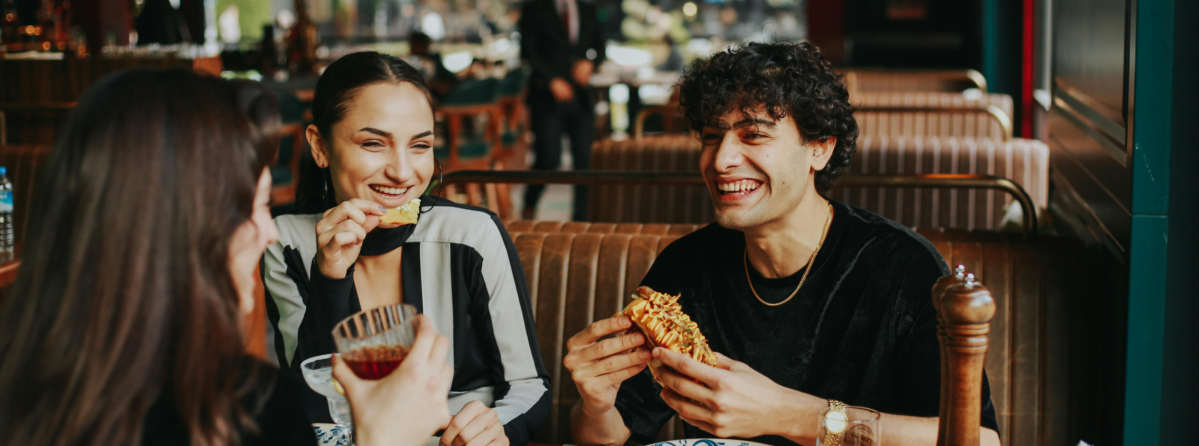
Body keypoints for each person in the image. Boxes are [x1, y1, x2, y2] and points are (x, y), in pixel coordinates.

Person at [563, 42, 1002, 446]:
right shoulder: (688, 268)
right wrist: (596, 402)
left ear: (820, 149)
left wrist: (794, 416)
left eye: (753, 135)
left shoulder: (902, 268)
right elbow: (606, 436)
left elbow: (980, 440)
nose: (720, 160)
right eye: (712, 137)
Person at [0, 69, 453, 446]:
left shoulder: (23, 383)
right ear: (180, 228)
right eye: (254, 208)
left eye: (420, 144)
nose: (266, 232)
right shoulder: (251, 410)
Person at [263, 52, 550, 446]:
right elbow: (314, 406)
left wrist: (496, 427)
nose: (402, 171)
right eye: (373, 143)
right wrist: (330, 277)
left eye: (419, 145)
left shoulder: (472, 235)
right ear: (320, 146)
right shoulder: (286, 245)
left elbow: (529, 385)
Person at [517, 0, 606, 220]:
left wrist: (590, 63)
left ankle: (582, 219)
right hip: (546, 97)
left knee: (585, 162)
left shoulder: (587, 10)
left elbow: (600, 47)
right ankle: (529, 206)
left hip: (581, 96)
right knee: (548, 158)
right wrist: (551, 80)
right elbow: (528, 50)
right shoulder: (535, 8)